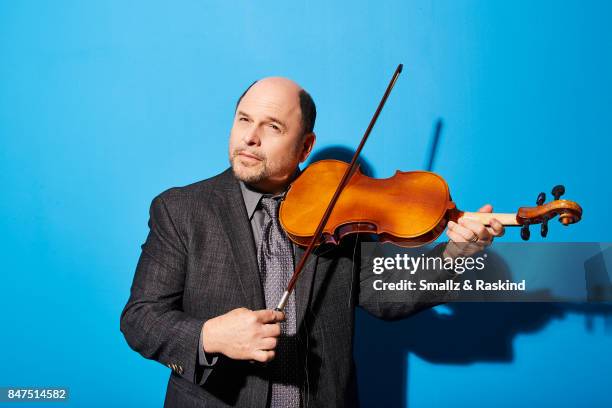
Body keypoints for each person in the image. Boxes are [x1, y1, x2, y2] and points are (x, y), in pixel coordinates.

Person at [120, 77, 504, 408]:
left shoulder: (340, 206)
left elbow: (391, 297)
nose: (250, 138)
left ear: (305, 147)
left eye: (272, 127)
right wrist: (210, 336)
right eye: (243, 120)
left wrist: (455, 255)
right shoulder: (181, 209)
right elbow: (141, 318)